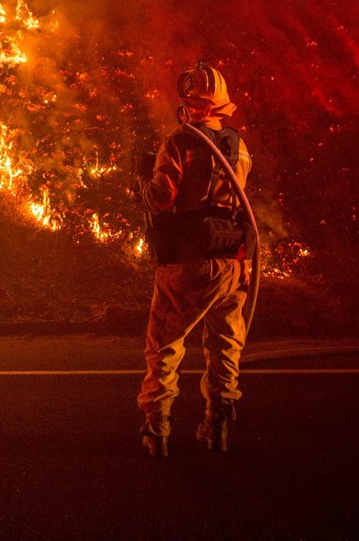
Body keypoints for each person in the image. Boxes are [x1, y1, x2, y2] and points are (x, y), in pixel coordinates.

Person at [136, 61, 253, 457]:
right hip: (233, 264)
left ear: (193, 104)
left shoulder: (181, 142)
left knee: (165, 346)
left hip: (189, 263)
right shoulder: (239, 146)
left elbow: (161, 199)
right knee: (225, 347)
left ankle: (157, 430)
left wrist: (143, 178)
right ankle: (218, 428)